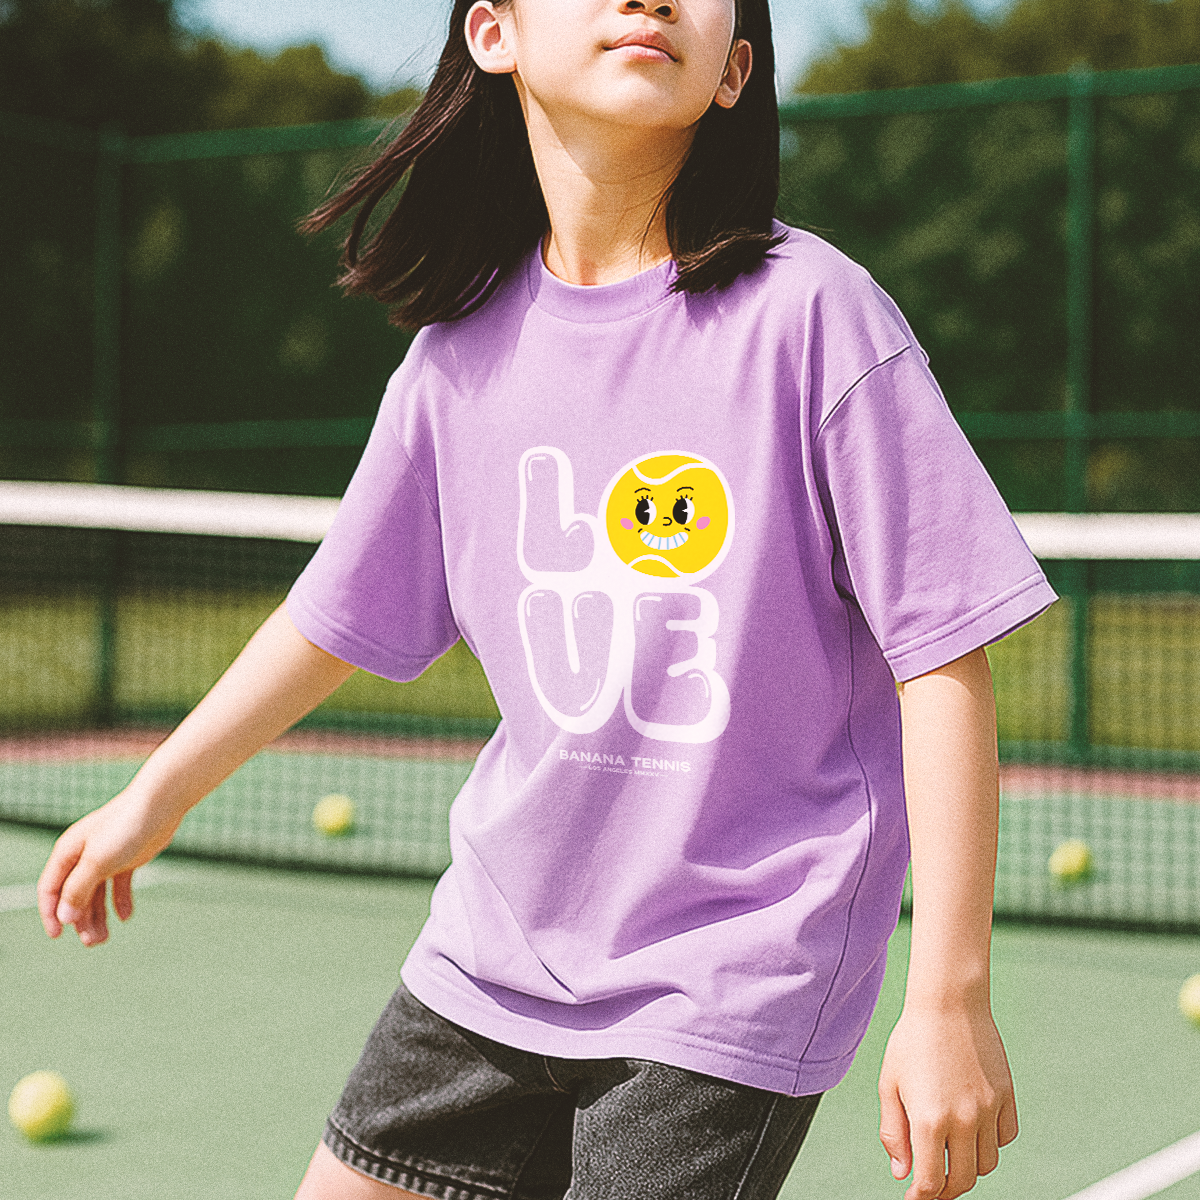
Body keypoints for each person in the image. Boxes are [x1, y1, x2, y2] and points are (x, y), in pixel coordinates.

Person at [36, 1, 1056, 1197]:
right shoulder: (454, 359)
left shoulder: (815, 315)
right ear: (493, 34)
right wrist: (154, 796)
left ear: (734, 69)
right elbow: (334, 615)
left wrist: (948, 999)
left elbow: (940, 654)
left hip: (724, 983)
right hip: (488, 957)